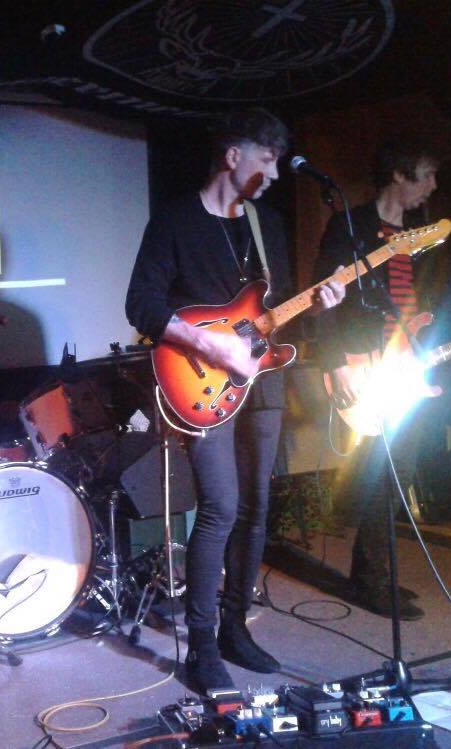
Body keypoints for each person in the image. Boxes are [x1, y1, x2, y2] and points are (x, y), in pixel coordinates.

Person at [125, 109, 346, 693]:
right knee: (221, 507)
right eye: (267, 158)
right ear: (233, 156)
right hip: (203, 382)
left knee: (257, 508)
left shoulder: (265, 224)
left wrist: (318, 305)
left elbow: (271, 310)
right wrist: (205, 342)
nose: (275, 172)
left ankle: (233, 628)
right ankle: (200, 645)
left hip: (264, 378)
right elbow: (141, 303)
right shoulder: (174, 221)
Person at [314, 139, 451, 621]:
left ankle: (374, 572)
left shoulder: (424, 238)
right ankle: (372, 579)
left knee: (400, 474)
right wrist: (335, 363)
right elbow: (321, 300)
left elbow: (430, 304)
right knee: (384, 473)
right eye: (425, 174)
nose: (432, 185)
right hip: (365, 365)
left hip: (411, 368)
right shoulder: (351, 227)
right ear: (398, 175)